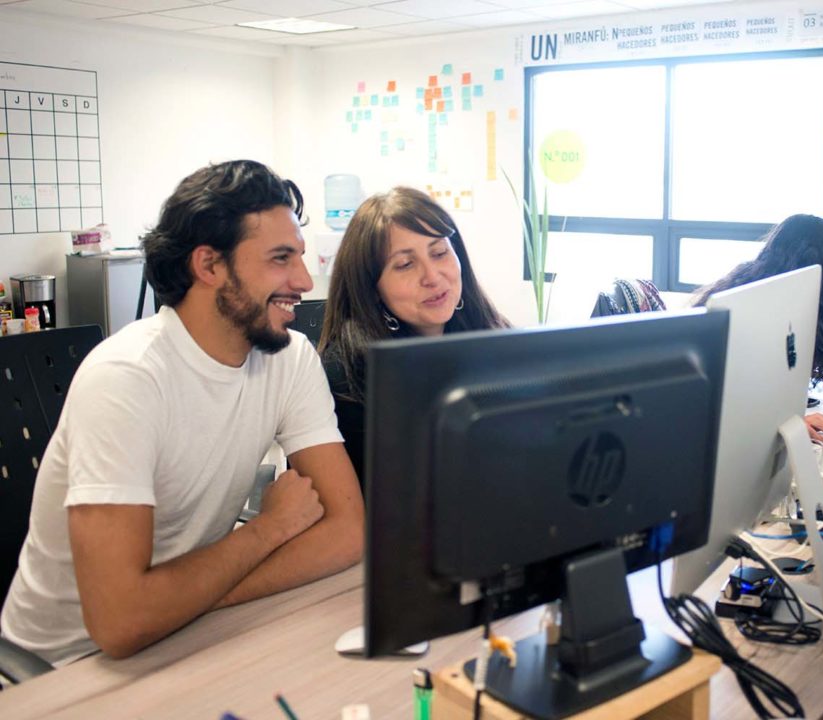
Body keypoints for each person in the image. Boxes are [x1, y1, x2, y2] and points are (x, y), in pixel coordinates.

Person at [0, 160, 363, 664]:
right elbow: (122, 622)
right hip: (68, 664)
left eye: (300, 256)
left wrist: (196, 600)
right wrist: (269, 529)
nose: (303, 279)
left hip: (187, 628)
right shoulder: (126, 378)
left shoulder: (289, 357)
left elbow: (347, 532)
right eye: (281, 259)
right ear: (209, 266)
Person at [317, 186, 509, 482]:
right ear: (372, 288)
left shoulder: (490, 336)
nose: (432, 277)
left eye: (440, 252)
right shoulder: (347, 377)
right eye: (405, 264)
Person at [690, 214, 823, 444]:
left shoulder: (780, 294)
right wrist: (788, 422)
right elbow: (734, 394)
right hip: (717, 433)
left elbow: (797, 372)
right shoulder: (754, 303)